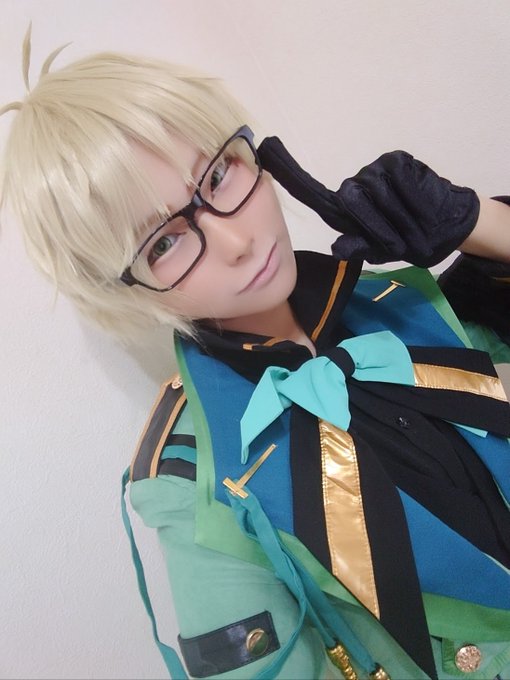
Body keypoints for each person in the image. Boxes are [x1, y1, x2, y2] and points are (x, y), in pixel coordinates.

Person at [2, 35, 510, 680]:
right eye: (163, 243)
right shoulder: (194, 484)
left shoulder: (395, 300)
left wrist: (477, 222)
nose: (236, 239)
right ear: (127, 293)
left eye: (218, 176)